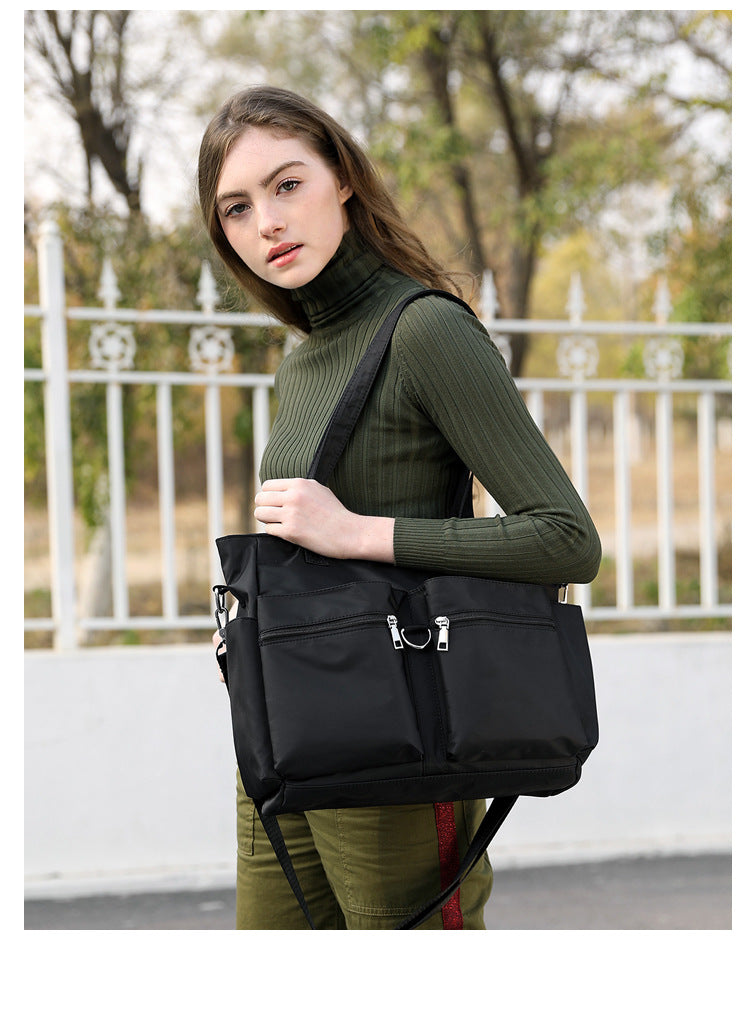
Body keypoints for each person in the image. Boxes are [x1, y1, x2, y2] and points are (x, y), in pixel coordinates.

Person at [198, 85, 601, 930]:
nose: (267, 222)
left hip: (399, 740)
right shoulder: (302, 360)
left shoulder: (424, 330)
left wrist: (356, 532)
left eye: (286, 185)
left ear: (342, 178)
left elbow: (565, 539)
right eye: (236, 207)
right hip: (283, 729)